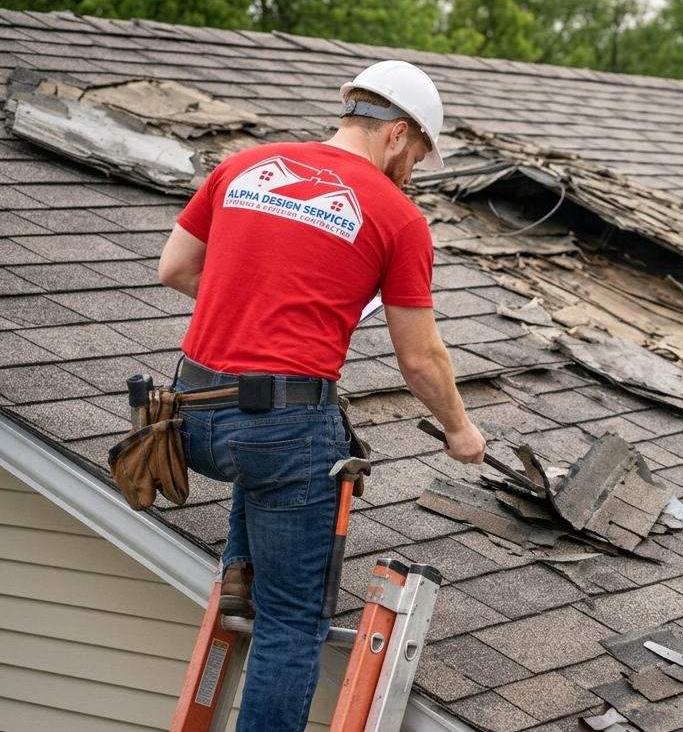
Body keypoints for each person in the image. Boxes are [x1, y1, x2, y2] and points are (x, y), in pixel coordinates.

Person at [157, 60, 486, 732]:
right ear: (396, 134)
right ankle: (256, 574)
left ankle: (242, 564)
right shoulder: (396, 216)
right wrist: (459, 428)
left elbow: (175, 269)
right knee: (292, 620)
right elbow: (420, 358)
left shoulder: (244, 166)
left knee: (282, 438)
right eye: (417, 155)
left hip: (189, 417)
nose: (413, 173)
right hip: (276, 432)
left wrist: (258, 309)